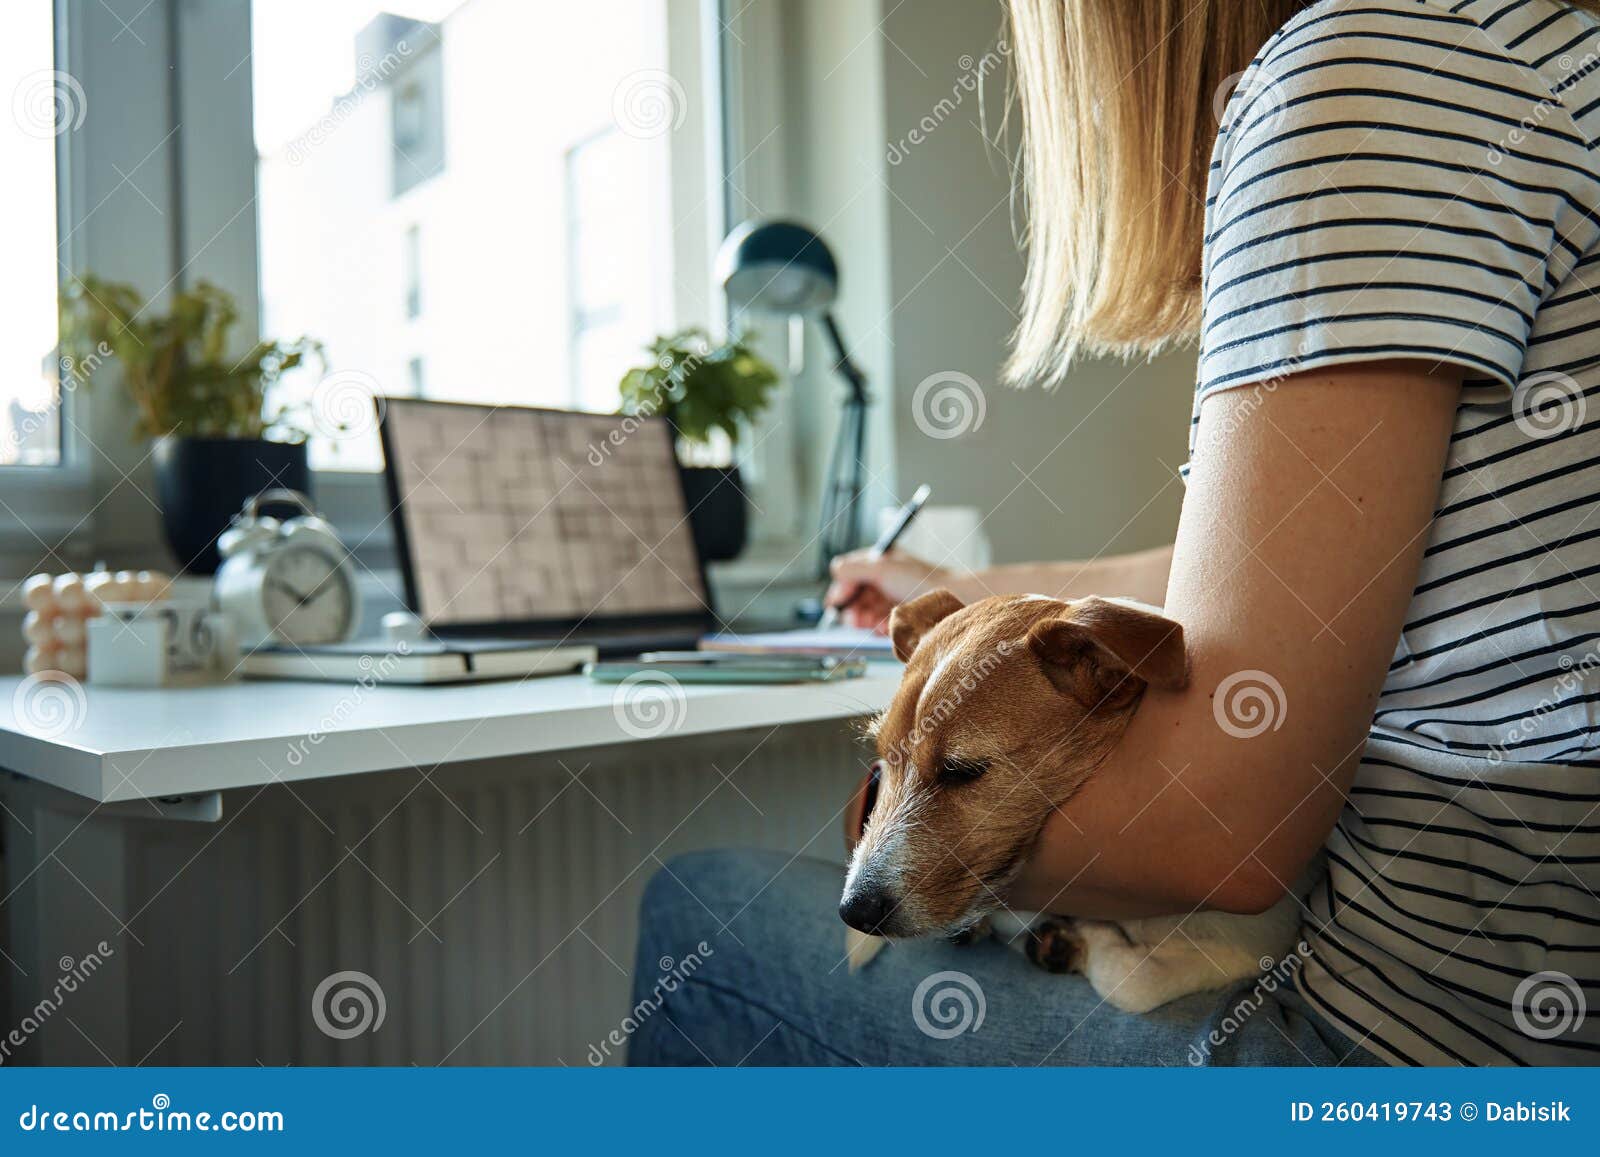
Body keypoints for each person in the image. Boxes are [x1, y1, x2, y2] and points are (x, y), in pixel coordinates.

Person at [631, 0, 1600, 1066]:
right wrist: (967, 593)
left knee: (699, 908)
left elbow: (1216, 839)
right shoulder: (1543, 56)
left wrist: (905, 834)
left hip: (1421, 1059)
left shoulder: (1373, 74)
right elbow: (1250, 580)